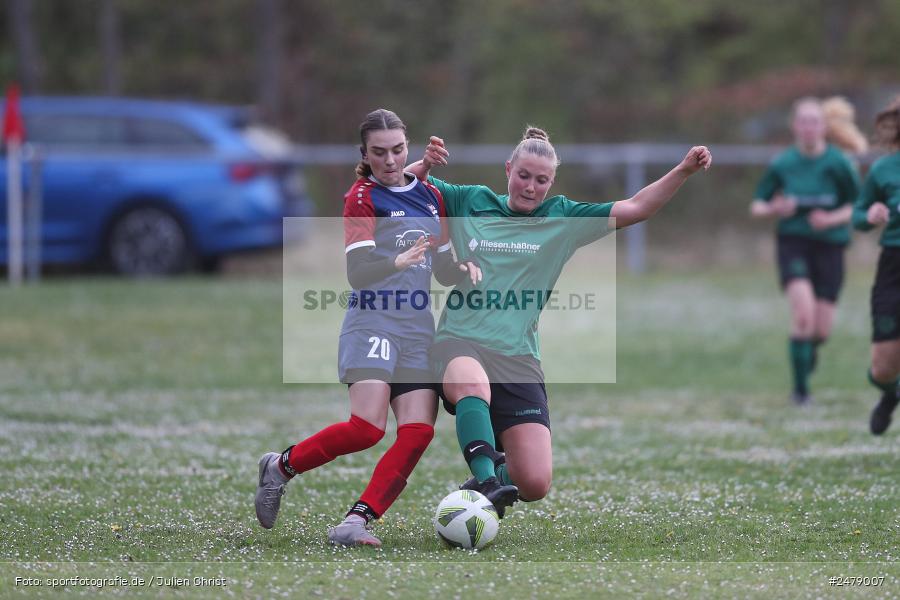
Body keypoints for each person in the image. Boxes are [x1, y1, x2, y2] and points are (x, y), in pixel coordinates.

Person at [409, 127, 711, 516]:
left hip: (517, 356)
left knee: (533, 483)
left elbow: (637, 207)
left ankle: (493, 475)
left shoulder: (563, 216)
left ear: (551, 183)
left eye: (541, 180)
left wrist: (683, 170)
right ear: (508, 169)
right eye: (523, 176)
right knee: (472, 383)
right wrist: (425, 163)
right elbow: (406, 186)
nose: (530, 187)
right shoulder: (471, 200)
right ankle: (486, 481)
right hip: (459, 340)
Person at [254, 108, 476, 547]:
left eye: (397, 150)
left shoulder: (432, 196)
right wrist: (398, 260)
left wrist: (463, 267)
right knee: (367, 428)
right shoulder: (361, 197)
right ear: (365, 154)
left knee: (418, 432)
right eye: (380, 152)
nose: (390, 160)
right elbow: (357, 271)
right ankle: (280, 467)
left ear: (406, 148)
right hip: (372, 320)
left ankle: (356, 522)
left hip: (417, 329)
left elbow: (445, 268)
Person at [750, 97, 861, 405]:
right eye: (804, 121)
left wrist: (830, 219)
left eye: (815, 121)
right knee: (803, 316)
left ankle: (807, 351)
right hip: (793, 243)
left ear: (824, 126)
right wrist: (775, 207)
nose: (809, 127)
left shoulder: (839, 164)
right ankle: (800, 393)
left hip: (831, 246)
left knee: (820, 330)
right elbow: (757, 205)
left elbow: (858, 207)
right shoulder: (783, 163)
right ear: (794, 126)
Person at [852, 95, 900, 435]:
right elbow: (858, 215)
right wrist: (870, 215)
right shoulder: (884, 169)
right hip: (893, 265)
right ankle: (890, 395)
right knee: (883, 368)